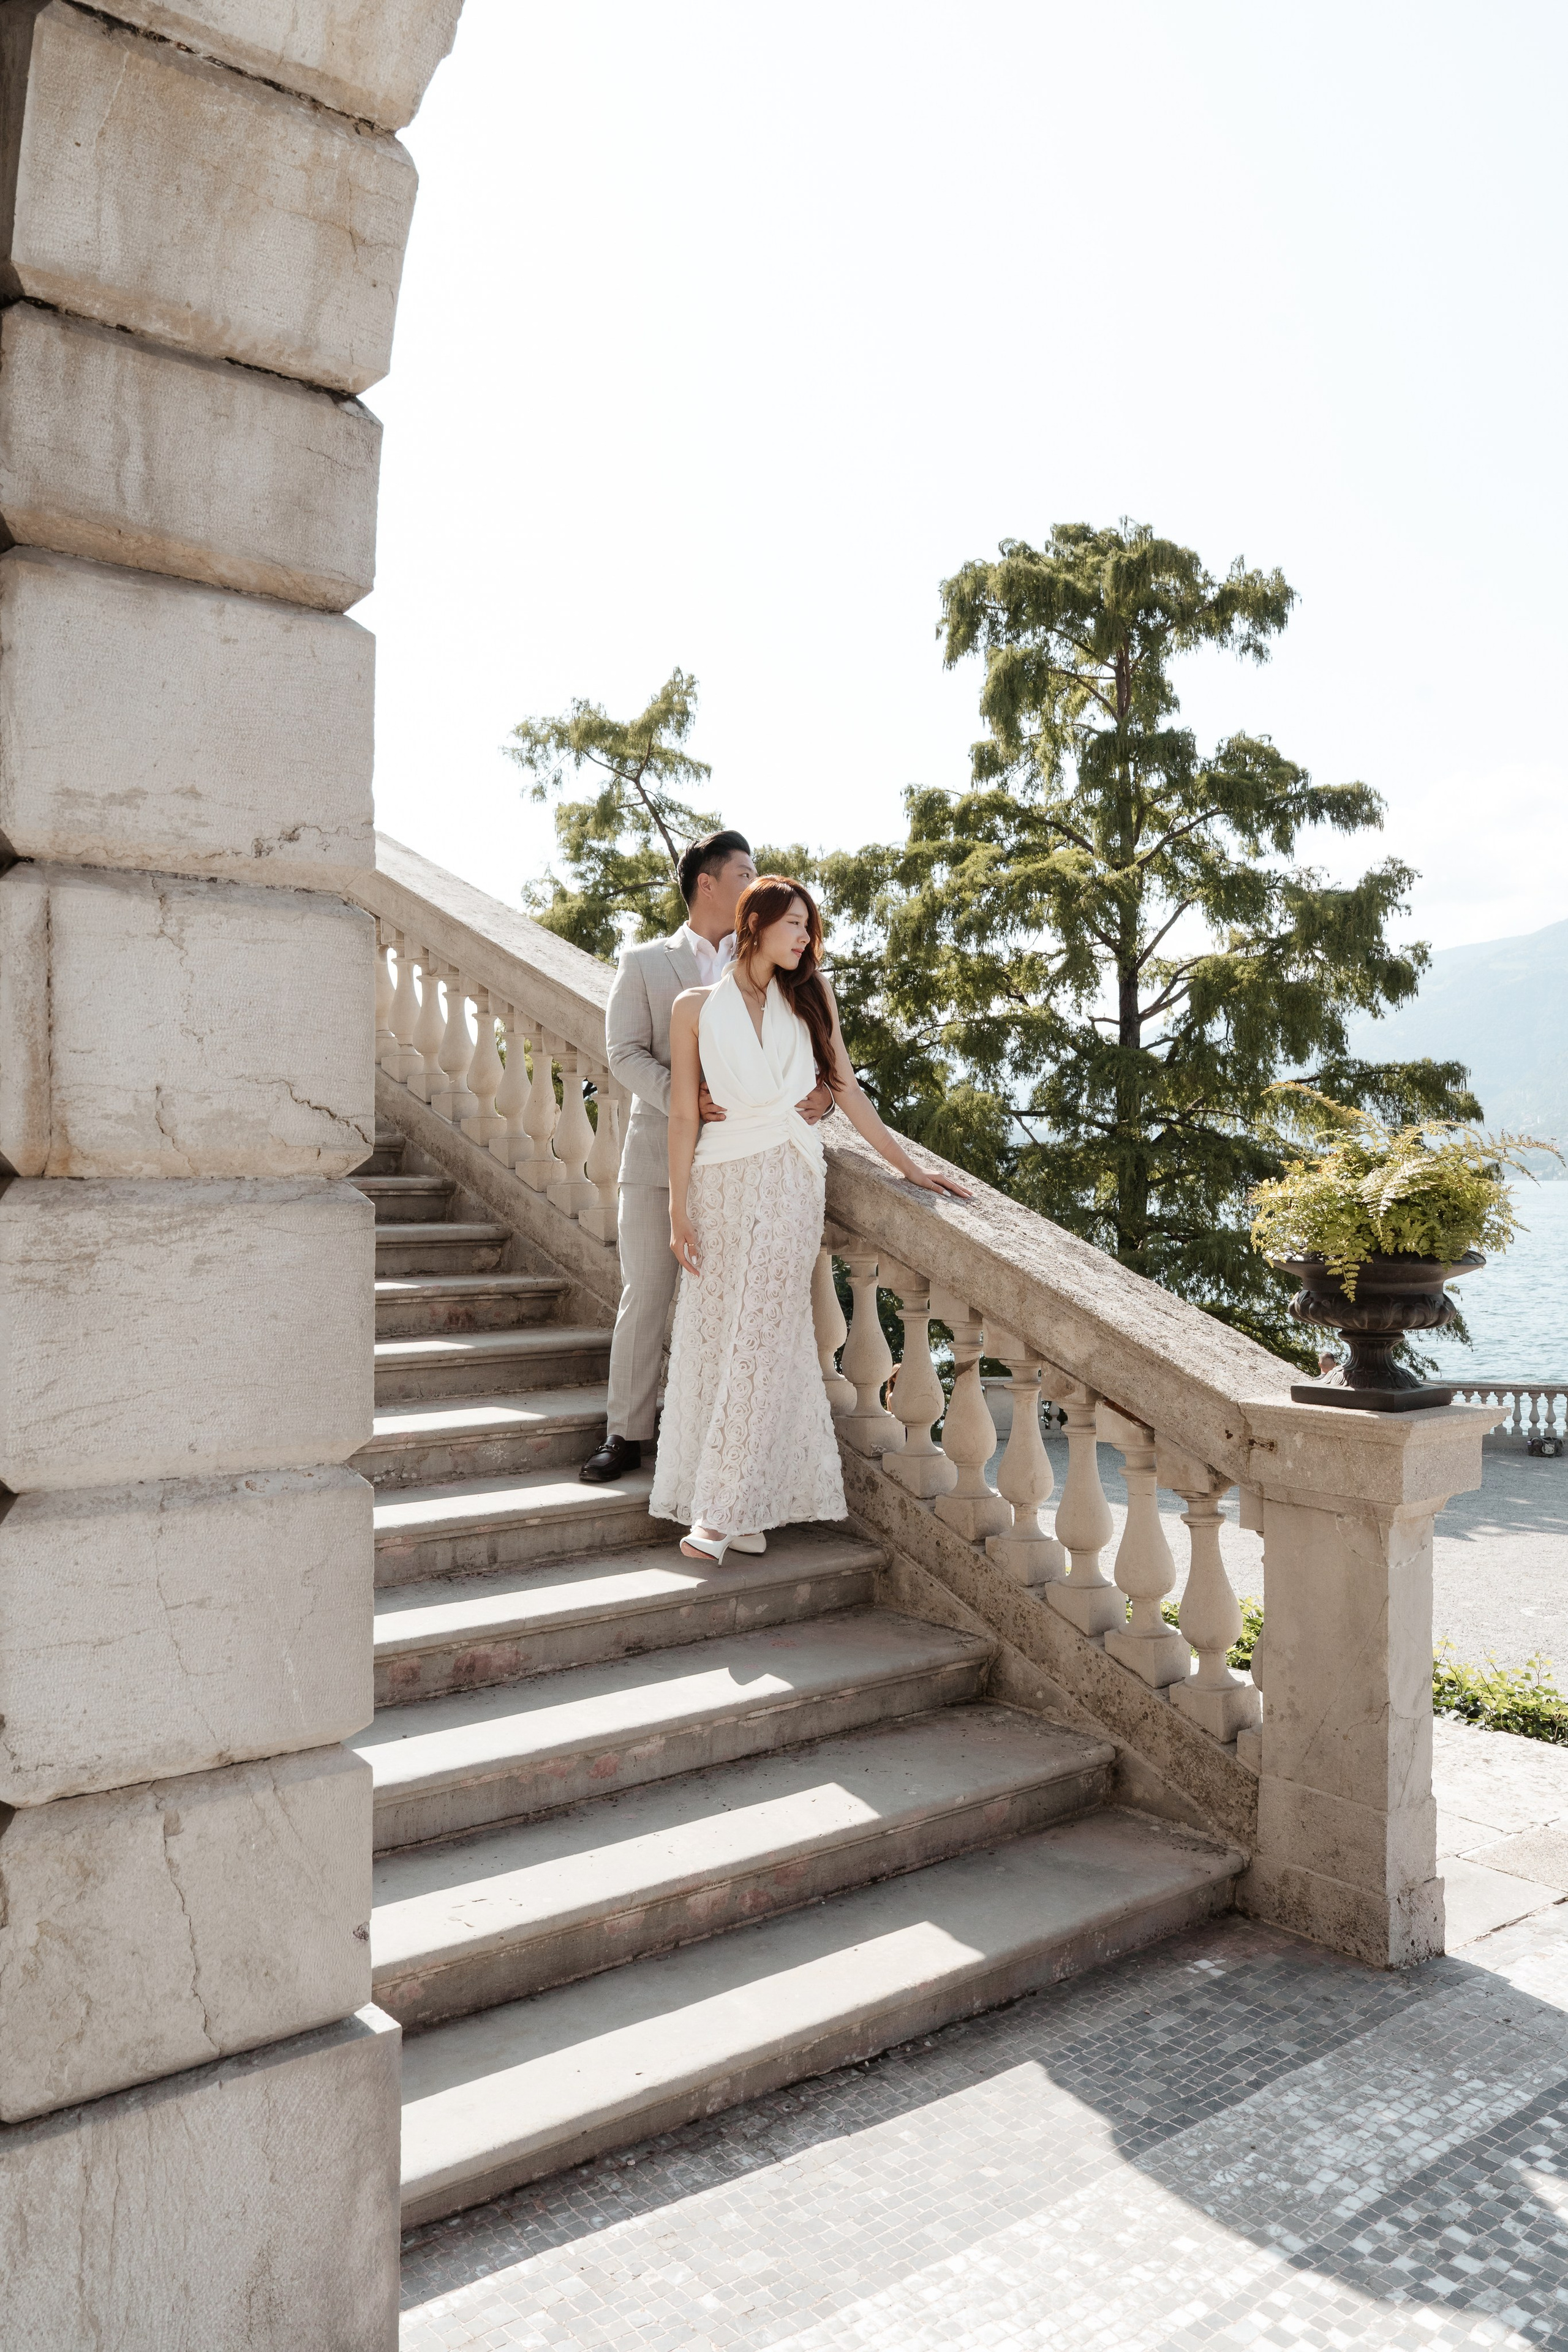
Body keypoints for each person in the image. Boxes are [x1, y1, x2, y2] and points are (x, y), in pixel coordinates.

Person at [650, 874, 971, 1564]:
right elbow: (682, 1113)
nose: (804, 937)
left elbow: (846, 1089)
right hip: (718, 1179)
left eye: (808, 927)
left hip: (791, 1176)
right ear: (754, 923)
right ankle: (754, 1500)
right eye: (793, 924)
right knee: (719, 1337)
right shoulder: (692, 1007)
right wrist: (677, 1209)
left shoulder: (813, 994)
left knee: (761, 1336)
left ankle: (718, 1513)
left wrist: (908, 1168)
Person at [579, 831, 835, 1483]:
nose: (756, 882)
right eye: (745, 872)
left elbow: (811, 1046)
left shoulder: (770, 961)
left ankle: (715, 1440)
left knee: (734, 1306)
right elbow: (624, 1054)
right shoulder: (643, 963)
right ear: (708, 884)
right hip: (654, 1157)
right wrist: (687, 1096)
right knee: (648, 1293)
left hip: (746, 1168)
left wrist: (823, 1096)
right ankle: (626, 1432)